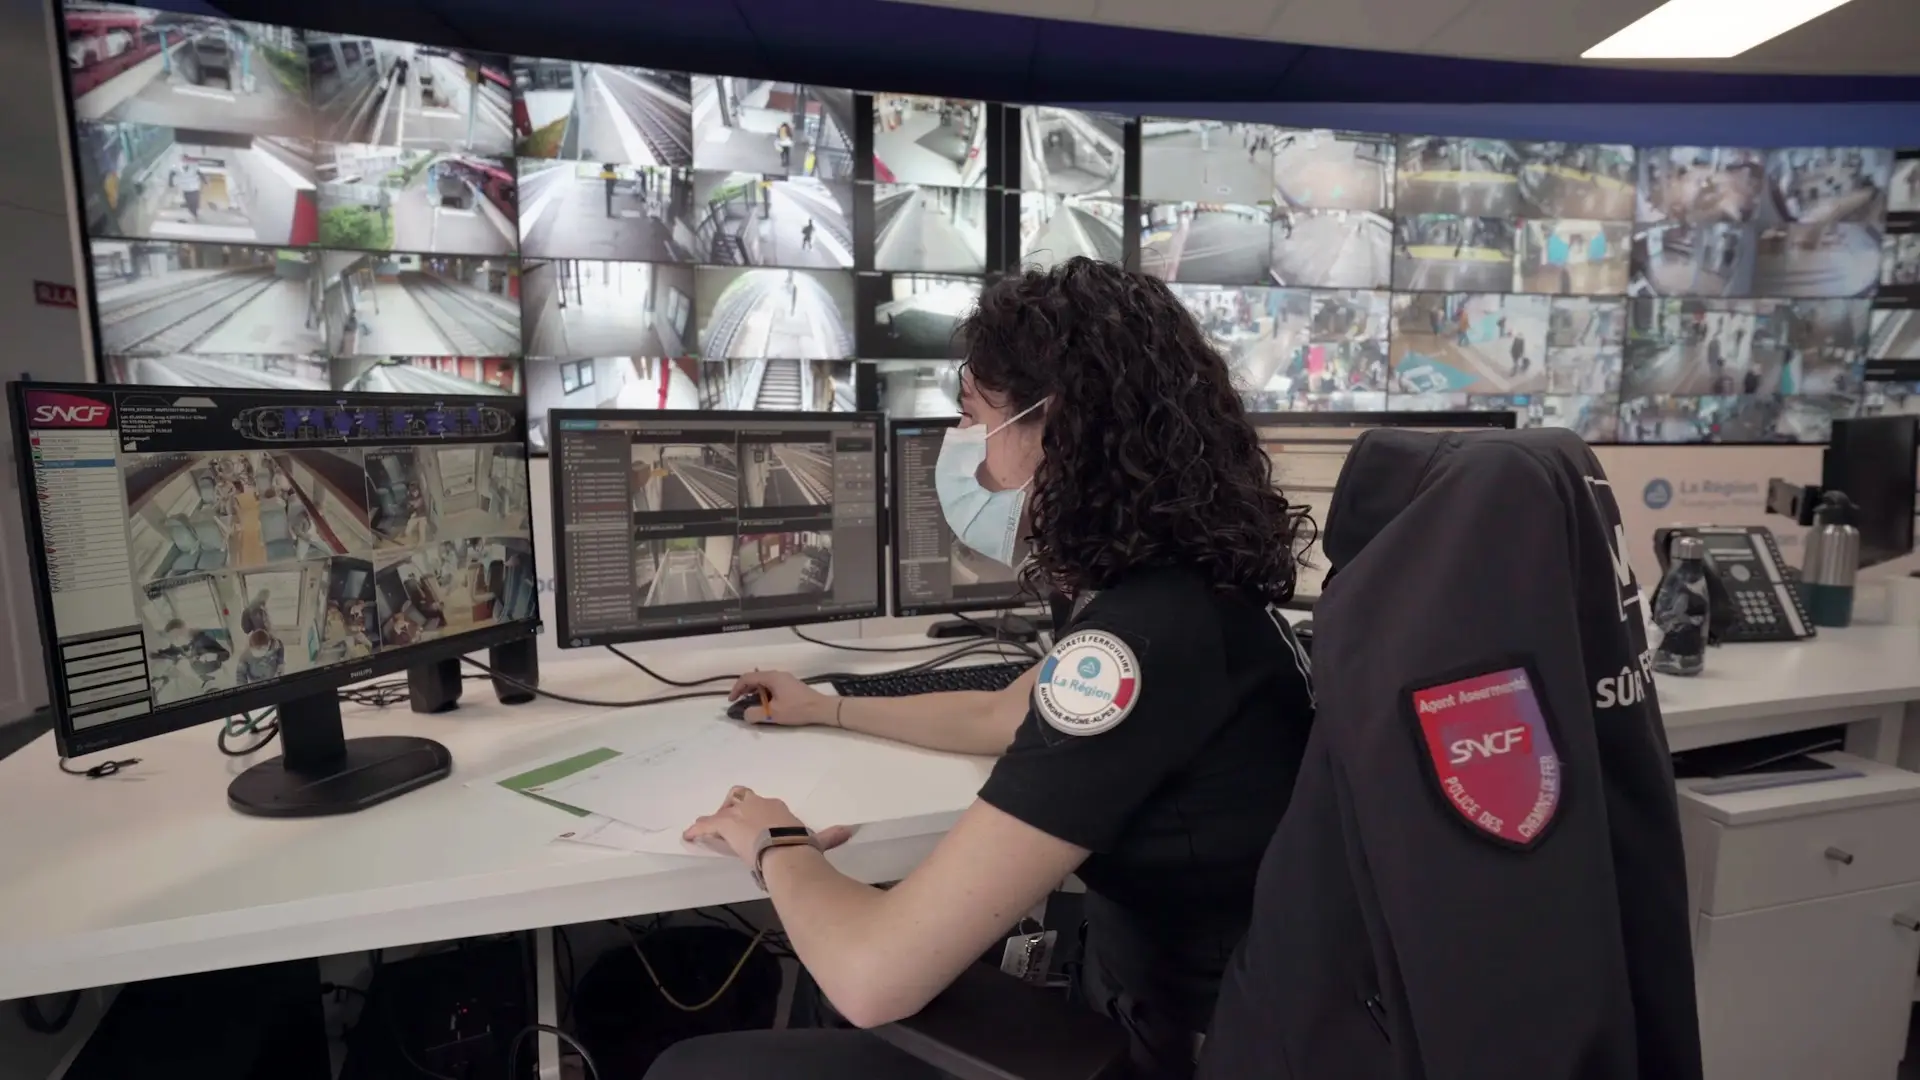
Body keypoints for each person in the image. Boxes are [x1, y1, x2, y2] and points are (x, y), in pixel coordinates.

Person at [644, 258, 1318, 1080]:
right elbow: (1005, 716)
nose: (973, 454)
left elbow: (871, 976)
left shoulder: (1136, 644)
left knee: (695, 1066)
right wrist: (825, 706)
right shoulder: (1188, 593)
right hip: (1207, 1015)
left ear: (1055, 427)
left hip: (1173, 1051)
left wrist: (774, 843)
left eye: (977, 420)